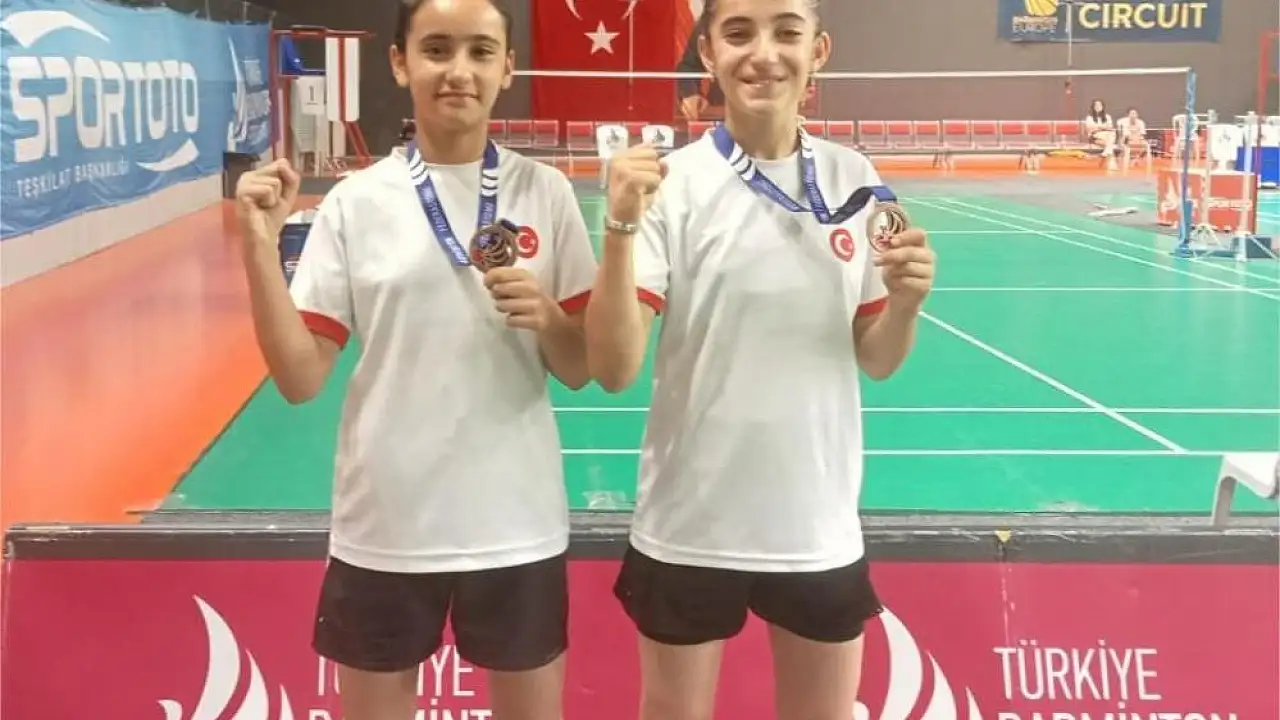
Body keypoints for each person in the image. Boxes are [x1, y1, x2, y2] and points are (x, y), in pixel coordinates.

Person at [233, 0, 596, 718]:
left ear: (507, 68)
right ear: (400, 64)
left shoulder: (546, 193)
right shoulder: (355, 203)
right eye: (436, 50)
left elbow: (582, 367)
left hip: (515, 524)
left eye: (480, 52)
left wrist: (551, 318)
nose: (458, 70)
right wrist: (257, 246)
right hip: (386, 528)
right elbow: (300, 377)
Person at [583, 0, 936, 718]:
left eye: (786, 32)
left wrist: (905, 304)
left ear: (818, 51)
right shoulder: (669, 184)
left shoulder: (858, 180)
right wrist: (619, 227)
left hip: (814, 525)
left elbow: (878, 359)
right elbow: (615, 369)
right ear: (708, 53)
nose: (764, 53)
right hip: (690, 524)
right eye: (739, 33)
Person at [1084, 98, 1118, 169]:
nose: (1098, 106)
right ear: (1093, 107)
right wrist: (1102, 127)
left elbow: (1110, 127)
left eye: (1100, 105)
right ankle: (1111, 162)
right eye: (1096, 105)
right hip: (1095, 137)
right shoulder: (1089, 117)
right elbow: (1089, 128)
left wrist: (1098, 127)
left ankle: (1105, 154)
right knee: (1111, 140)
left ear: (1103, 107)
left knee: (1110, 137)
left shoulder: (1107, 116)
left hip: (1106, 137)